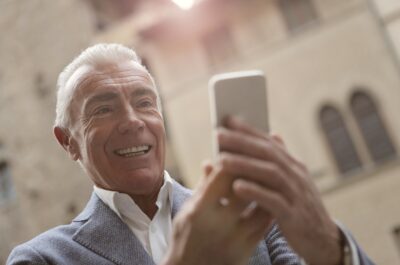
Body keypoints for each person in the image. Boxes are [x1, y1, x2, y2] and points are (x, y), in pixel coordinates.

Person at [7, 43, 375, 265]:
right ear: (67, 141)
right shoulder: (41, 259)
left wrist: (332, 247)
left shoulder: (254, 218)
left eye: (145, 102)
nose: (132, 121)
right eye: (103, 109)